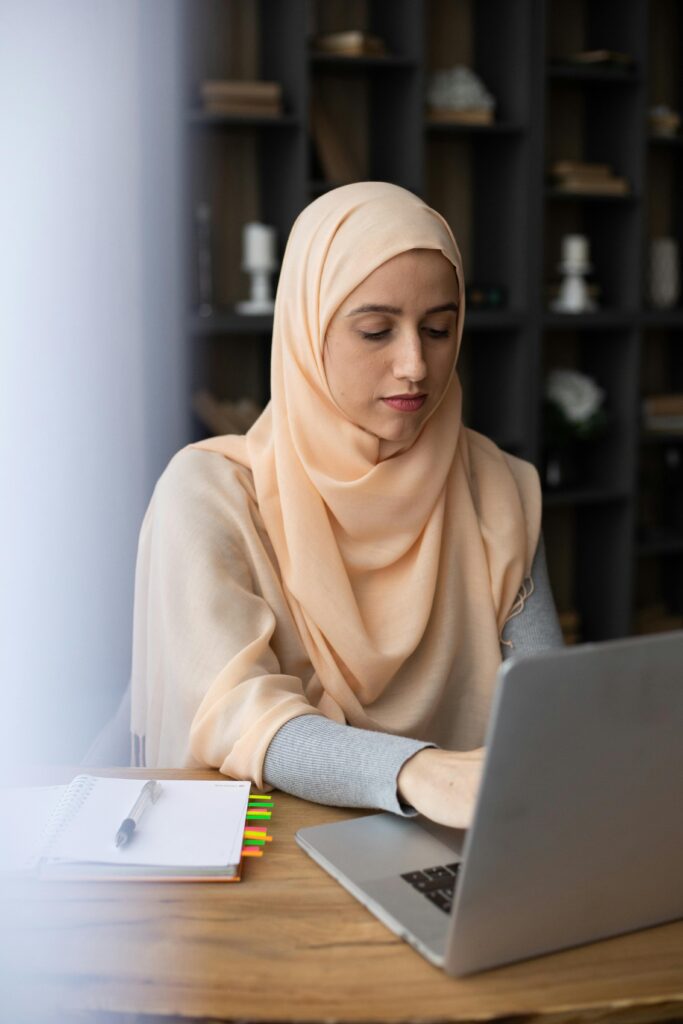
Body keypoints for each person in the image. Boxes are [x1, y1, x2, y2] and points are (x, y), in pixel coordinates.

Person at [130, 182, 563, 829]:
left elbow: (548, 708)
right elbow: (233, 714)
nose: (415, 364)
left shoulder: (496, 485)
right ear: (306, 329)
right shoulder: (210, 494)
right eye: (375, 331)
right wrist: (415, 771)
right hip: (267, 854)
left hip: (455, 848)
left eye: (439, 329)